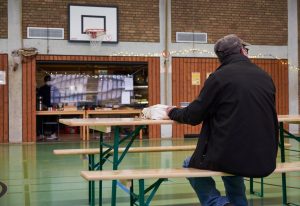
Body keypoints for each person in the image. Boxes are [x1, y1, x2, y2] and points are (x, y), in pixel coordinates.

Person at [167, 34, 278, 206]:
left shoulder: (219, 78)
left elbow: (193, 116)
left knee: (189, 163)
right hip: (265, 157)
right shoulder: (265, 77)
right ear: (242, 51)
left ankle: (217, 203)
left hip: (232, 155)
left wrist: (172, 111)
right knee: (233, 166)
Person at [37, 75, 59, 140]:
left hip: (53, 108)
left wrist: (55, 105)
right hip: (43, 108)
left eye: (49, 80)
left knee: (54, 118)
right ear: (45, 81)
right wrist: (43, 106)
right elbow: (38, 98)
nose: (48, 82)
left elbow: (57, 98)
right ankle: (41, 134)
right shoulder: (41, 89)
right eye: (47, 81)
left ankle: (53, 134)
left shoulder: (55, 89)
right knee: (40, 119)